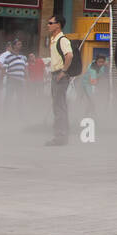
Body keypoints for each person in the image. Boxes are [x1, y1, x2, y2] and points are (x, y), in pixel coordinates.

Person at [44, 14, 73, 146]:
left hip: (59, 76)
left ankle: (60, 137)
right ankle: (63, 136)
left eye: (51, 23)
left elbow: (69, 55)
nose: (48, 25)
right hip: (55, 75)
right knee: (60, 105)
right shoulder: (54, 39)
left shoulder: (62, 39)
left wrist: (63, 71)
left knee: (59, 106)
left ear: (58, 25)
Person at [0, 37, 29, 118]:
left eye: (21, 44)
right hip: (11, 80)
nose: (20, 45)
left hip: (21, 81)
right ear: (14, 46)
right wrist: (0, 81)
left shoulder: (24, 57)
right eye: (18, 44)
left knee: (20, 99)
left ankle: (21, 116)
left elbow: (26, 70)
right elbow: (3, 70)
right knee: (8, 98)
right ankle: (6, 116)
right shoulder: (8, 57)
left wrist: (27, 80)